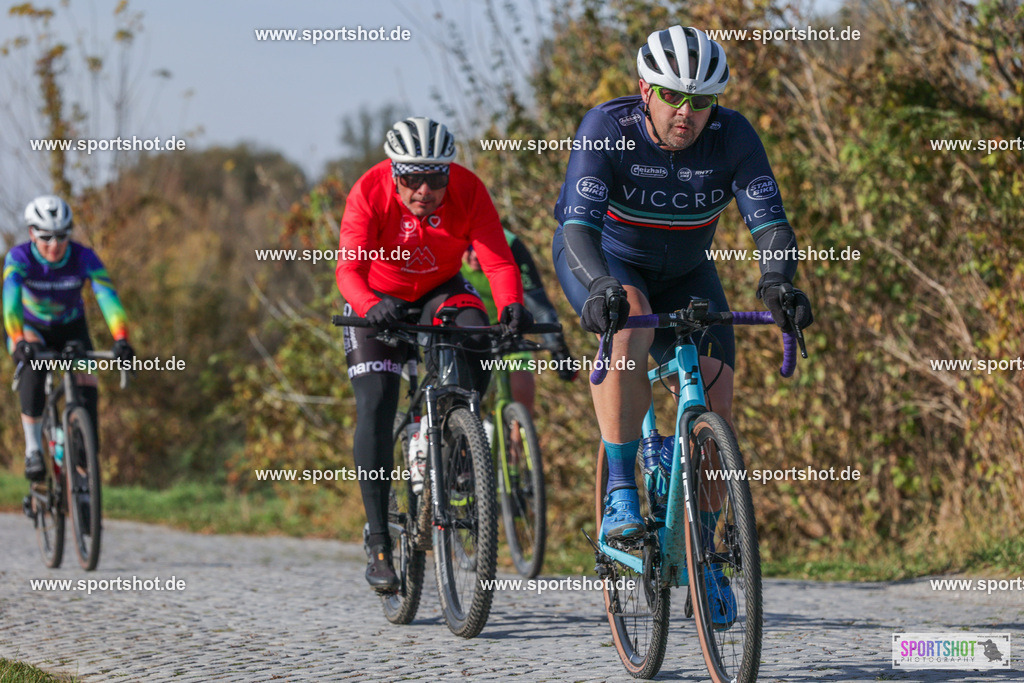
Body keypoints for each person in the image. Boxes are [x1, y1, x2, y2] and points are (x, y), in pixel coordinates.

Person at [552, 26, 814, 625]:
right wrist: (598, 288)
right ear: (645, 89)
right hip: (604, 260)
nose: (687, 114)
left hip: (689, 269)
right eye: (673, 97)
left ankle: (710, 554)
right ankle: (621, 490)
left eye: (701, 102)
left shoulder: (732, 136)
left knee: (717, 407)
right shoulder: (607, 129)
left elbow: (770, 224)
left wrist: (777, 282)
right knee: (631, 321)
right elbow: (577, 228)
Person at [336, 116, 531, 592]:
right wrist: (368, 306)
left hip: (440, 291)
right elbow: (347, 270)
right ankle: (379, 540)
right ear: (394, 173)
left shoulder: (468, 189)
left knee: (479, 334)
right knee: (378, 402)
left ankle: (457, 443)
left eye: (435, 178)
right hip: (378, 300)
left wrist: (512, 307)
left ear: (449, 173)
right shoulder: (369, 191)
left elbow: (498, 259)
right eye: (412, 178)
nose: (424, 189)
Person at [3, 195, 134, 482]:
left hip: (71, 328)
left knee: (87, 387)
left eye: (62, 235)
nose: (55, 244)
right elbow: (10, 301)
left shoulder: (83, 257)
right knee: (34, 368)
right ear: (31, 234)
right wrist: (17, 340)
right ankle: (34, 448)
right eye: (46, 237)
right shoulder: (19, 258)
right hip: (30, 327)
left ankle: (85, 465)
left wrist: (121, 338)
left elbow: (107, 296)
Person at [460, 231, 576, 417]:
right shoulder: (447, 240)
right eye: (468, 248)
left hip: (504, 328)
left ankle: (519, 438)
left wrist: (559, 350)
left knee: (523, 382)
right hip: (462, 329)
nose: (474, 255)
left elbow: (540, 307)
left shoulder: (511, 246)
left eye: (480, 249)